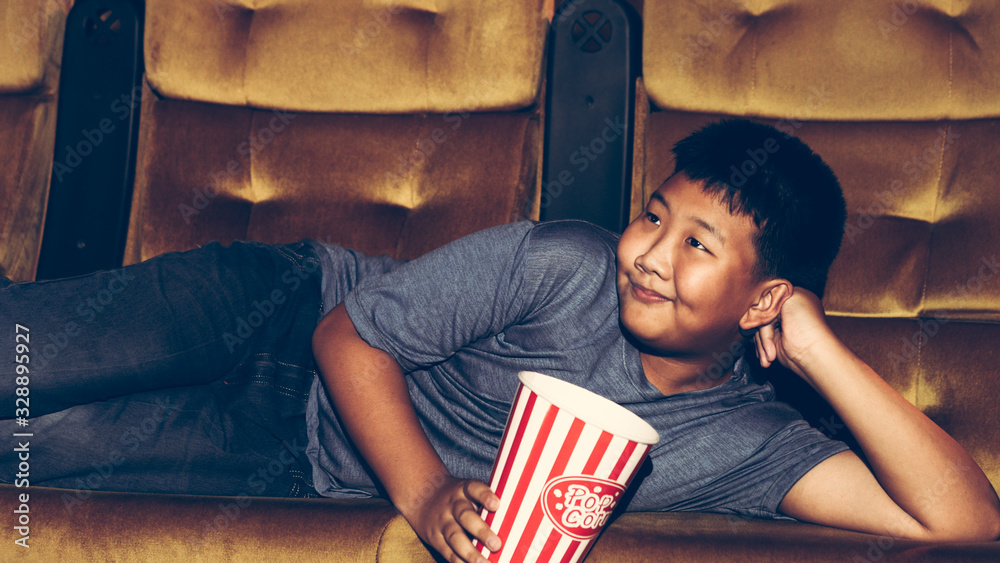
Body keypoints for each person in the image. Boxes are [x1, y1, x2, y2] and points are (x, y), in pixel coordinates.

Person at [3, 120, 998, 563]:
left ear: (760, 299)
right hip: (273, 307)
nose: (647, 253)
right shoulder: (562, 262)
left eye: (696, 244)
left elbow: (965, 526)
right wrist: (432, 492)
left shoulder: (748, 442)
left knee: (26, 448)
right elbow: (347, 337)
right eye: (652, 215)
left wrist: (821, 349)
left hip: (288, 451)